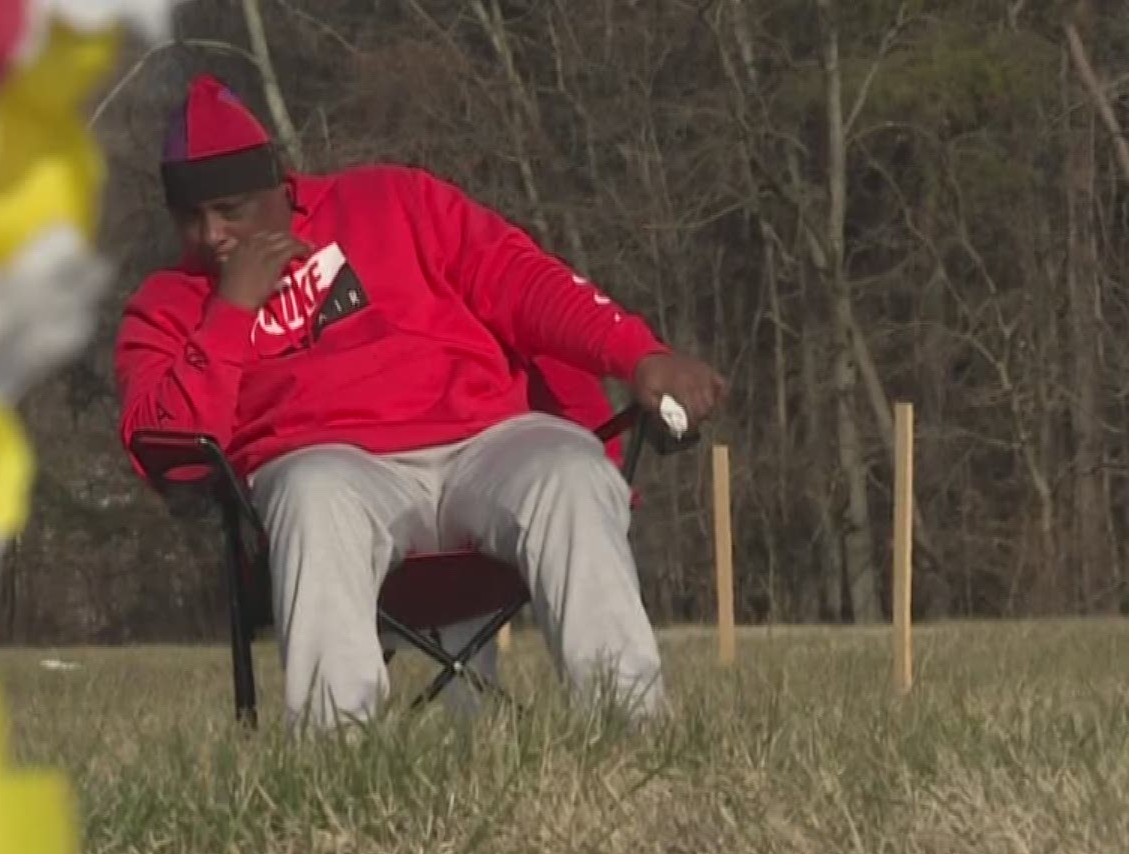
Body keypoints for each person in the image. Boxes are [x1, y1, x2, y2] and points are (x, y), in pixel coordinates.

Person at [113, 74, 727, 731]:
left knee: (570, 468)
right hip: (333, 472)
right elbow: (167, 450)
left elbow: (522, 280)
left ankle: (632, 727)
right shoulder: (167, 304)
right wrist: (230, 312)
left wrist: (639, 354)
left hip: (482, 445)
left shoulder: (394, 202)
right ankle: (333, 754)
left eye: (231, 208)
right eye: (191, 217)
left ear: (278, 183)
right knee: (311, 491)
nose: (212, 235)